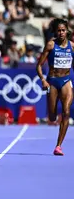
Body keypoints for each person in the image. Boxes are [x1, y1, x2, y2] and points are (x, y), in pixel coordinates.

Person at [36, 18, 73, 156]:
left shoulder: (72, 46)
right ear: (56, 32)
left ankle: (58, 146)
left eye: (63, 30)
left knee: (66, 112)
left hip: (66, 81)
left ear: (67, 31)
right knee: (52, 117)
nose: (61, 33)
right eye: (59, 30)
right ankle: (52, 116)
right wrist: (43, 80)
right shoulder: (51, 45)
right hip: (52, 82)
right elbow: (39, 65)